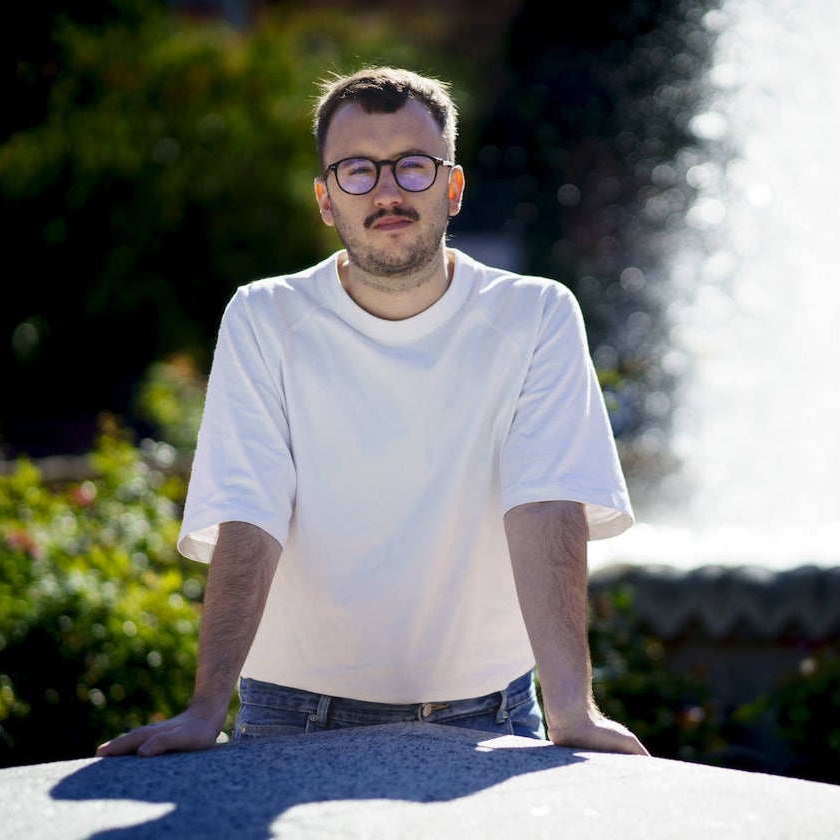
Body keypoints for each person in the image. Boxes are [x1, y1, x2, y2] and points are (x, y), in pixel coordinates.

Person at [96, 65, 647, 759]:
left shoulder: (536, 314)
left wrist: (573, 710)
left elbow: (546, 505)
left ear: (453, 186)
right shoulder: (265, 317)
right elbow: (249, 509)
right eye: (357, 171)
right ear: (326, 199)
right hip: (290, 715)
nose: (386, 191)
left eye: (412, 166)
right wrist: (206, 708)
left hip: (493, 717)